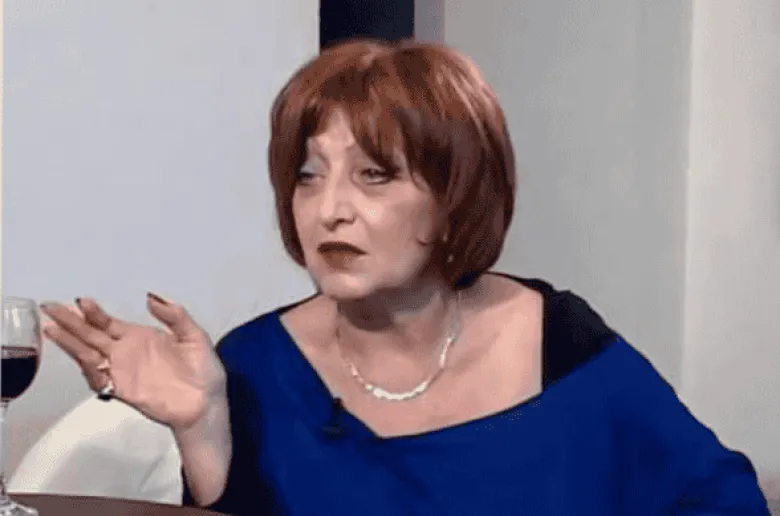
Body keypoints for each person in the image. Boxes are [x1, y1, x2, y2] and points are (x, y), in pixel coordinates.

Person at [40, 39, 770, 515]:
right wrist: (202, 430)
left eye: (374, 176)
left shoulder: (561, 345)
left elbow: (721, 499)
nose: (330, 209)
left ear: (455, 198)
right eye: (308, 176)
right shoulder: (255, 364)